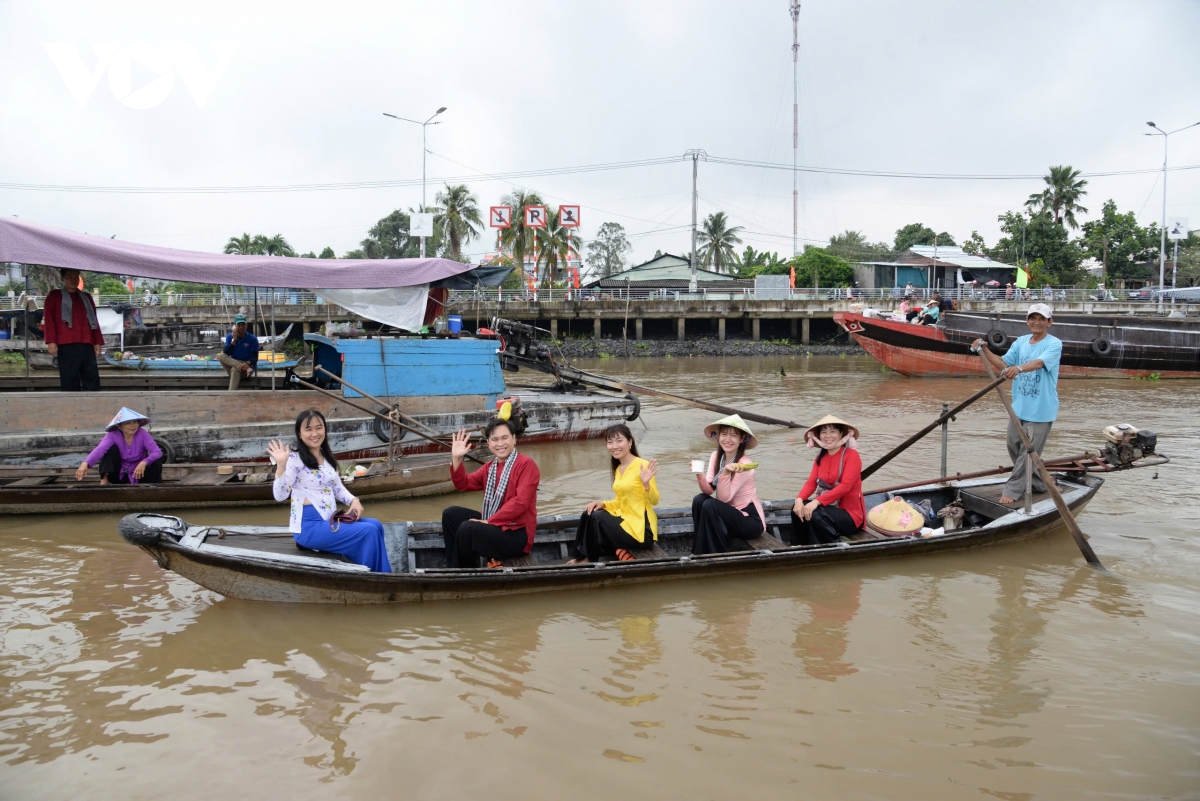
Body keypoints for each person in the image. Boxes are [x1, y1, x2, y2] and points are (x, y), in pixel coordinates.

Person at [267, 409, 390, 572]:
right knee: (368, 531)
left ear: (324, 429)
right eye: (308, 429)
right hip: (308, 527)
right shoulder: (294, 460)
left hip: (328, 520)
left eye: (319, 427)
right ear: (299, 433)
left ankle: (376, 573)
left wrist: (354, 500)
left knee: (376, 525)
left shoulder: (326, 457)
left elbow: (338, 489)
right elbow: (280, 495)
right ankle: (373, 578)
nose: (314, 433)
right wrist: (281, 465)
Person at [972, 303, 1062, 505]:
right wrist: (984, 350)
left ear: (1050, 322)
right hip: (1019, 407)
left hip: (1041, 410)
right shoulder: (1021, 342)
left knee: (1028, 452)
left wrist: (1019, 369)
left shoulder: (1054, 344)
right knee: (1013, 445)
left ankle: (1012, 490)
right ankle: (1040, 484)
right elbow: (1004, 365)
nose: (1037, 322)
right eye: (1033, 318)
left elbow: (1039, 363)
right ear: (1027, 321)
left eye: (1042, 319)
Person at [441, 419, 540, 568]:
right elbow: (463, 484)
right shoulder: (490, 468)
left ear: (514, 439)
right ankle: (455, 566)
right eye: (495, 439)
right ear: (489, 443)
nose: (500, 444)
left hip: (517, 533)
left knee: (467, 529)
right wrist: (456, 458)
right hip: (496, 524)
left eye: (504, 438)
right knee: (450, 515)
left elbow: (521, 503)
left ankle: (462, 574)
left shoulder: (526, 464)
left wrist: (489, 521)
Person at [567, 423, 660, 564]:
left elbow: (654, 500)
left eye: (619, 440)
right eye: (610, 442)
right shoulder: (619, 468)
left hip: (641, 531)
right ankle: (580, 557)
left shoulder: (642, 465)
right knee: (589, 512)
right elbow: (621, 501)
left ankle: (589, 559)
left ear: (630, 442)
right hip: (625, 522)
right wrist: (603, 504)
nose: (614, 446)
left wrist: (646, 484)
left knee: (597, 518)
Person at [691, 415, 767, 555]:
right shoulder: (716, 456)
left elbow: (724, 498)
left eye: (733, 435)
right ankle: (698, 552)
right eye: (724, 434)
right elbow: (708, 491)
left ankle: (717, 555)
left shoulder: (744, 465)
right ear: (718, 436)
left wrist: (725, 473)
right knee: (699, 499)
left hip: (749, 520)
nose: (728, 439)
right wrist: (699, 475)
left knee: (710, 505)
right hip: (727, 516)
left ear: (742, 438)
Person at [791, 415, 866, 545]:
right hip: (828, 509)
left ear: (841, 433)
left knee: (814, 512)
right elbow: (811, 483)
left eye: (833, 431)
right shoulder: (820, 458)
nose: (828, 436)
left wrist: (817, 501)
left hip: (850, 515)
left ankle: (831, 545)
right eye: (823, 432)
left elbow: (845, 486)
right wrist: (799, 499)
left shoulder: (852, 455)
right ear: (818, 436)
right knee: (797, 510)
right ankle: (798, 547)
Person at [43, 268, 104, 391]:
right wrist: (51, 341)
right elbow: (49, 320)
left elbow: (94, 320)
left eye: (75, 277)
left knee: (91, 378)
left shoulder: (86, 297)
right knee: (69, 379)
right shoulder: (54, 296)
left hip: (86, 342)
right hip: (66, 343)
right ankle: (70, 408)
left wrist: (97, 342)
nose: (73, 280)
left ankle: (93, 407)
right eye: (69, 277)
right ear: (62, 278)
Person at [75, 407, 163, 485]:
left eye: (135, 422)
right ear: (120, 425)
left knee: (156, 461)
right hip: (119, 474)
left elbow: (157, 452)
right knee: (110, 450)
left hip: (139, 473)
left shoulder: (142, 433)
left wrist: (144, 462)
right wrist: (85, 463)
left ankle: (154, 488)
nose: (132, 426)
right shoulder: (112, 435)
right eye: (128, 423)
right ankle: (104, 480)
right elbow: (100, 449)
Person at [220, 314, 259, 391]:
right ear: (235, 326)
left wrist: (247, 364)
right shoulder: (230, 337)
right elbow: (226, 352)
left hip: (246, 366)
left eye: (243, 325)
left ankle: (231, 396)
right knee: (222, 356)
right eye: (239, 325)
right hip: (234, 364)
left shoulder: (252, 339)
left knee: (235, 369)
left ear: (246, 326)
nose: (241, 327)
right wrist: (234, 340)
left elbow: (255, 357)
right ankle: (245, 368)